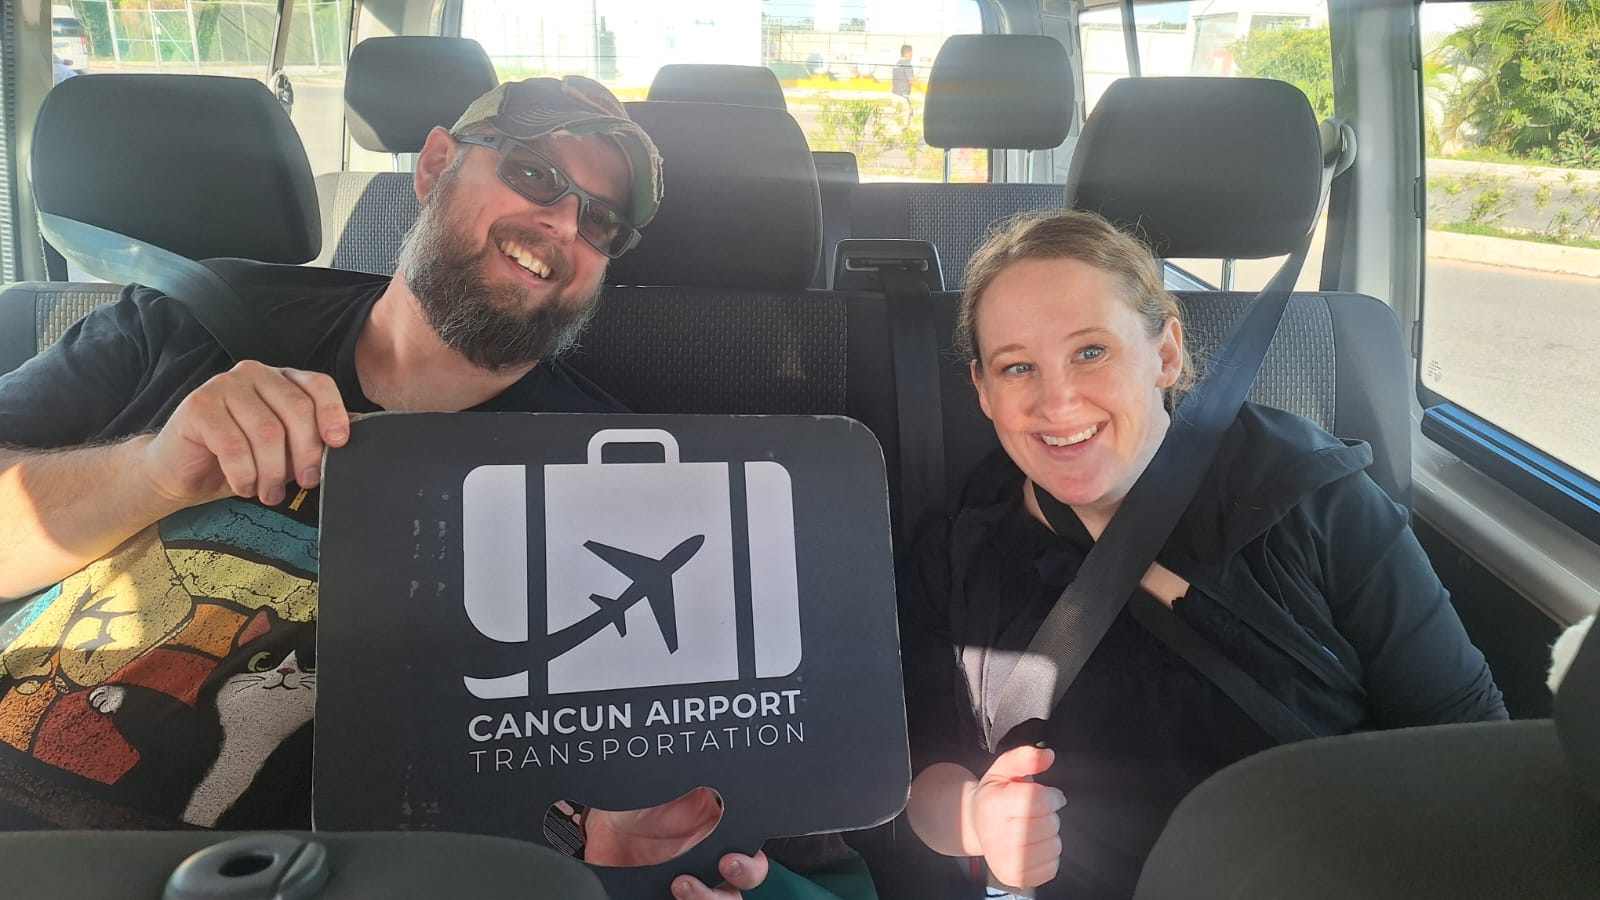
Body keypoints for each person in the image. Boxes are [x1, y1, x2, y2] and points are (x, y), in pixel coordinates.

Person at [0, 74, 799, 898]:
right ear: (435, 166)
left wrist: (586, 826)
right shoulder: (184, 323)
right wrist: (151, 472)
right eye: (533, 174)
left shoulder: (617, 481)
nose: (562, 222)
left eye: (601, 221)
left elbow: (588, 765)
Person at [897, 210, 1507, 898]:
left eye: (1091, 351)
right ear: (982, 389)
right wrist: (977, 821)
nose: (1057, 400)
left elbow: (1465, 739)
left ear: (1166, 354)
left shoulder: (1311, 497)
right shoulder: (955, 555)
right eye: (1017, 367)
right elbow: (916, 782)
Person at [891, 45, 915, 126]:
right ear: (907, 53)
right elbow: (911, 81)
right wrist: (922, 92)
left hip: (895, 95)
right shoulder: (907, 64)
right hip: (903, 97)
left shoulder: (897, 64)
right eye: (911, 54)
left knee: (898, 120)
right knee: (903, 124)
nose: (912, 56)